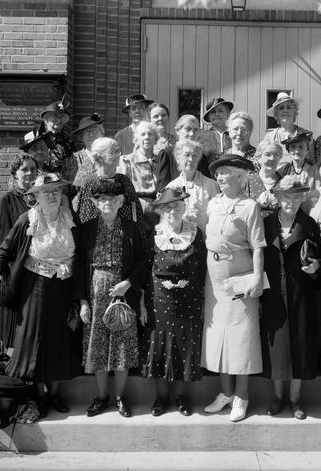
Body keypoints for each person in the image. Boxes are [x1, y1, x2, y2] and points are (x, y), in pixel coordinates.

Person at [0, 173, 85, 419]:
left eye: (55, 191)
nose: (51, 195)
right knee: (37, 339)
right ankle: (39, 394)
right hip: (36, 288)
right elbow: (4, 251)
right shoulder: (27, 219)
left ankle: (55, 393)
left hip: (64, 287)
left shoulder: (73, 219)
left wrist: (81, 296)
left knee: (61, 338)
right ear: (36, 196)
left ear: (62, 194)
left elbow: (82, 257)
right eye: (45, 191)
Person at [202, 155, 266, 422]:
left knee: (241, 339)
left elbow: (258, 246)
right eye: (218, 173)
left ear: (241, 177)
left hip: (240, 276)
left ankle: (241, 396)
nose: (220, 177)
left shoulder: (250, 206)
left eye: (226, 173)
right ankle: (225, 392)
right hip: (214, 279)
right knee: (218, 337)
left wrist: (256, 279)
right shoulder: (213, 203)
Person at [79, 180, 151, 418]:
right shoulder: (87, 228)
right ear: (95, 203)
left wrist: (128, 283)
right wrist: (82, 302)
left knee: (121, 347)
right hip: (95, 292)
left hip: (124, 292)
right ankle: (101, 397)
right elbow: (79, 266)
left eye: (113, 200)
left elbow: (143, 260)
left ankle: (120, 396)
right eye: (102, 200)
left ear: (121, 202)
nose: (107, 203)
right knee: (97, 347)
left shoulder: (131, 228)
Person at [260, 177, 321, 420]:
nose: (291, 201)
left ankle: (295, 399)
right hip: (273, 293)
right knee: (276, 347)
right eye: (286, 196)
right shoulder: (266, 223)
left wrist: (317, 265)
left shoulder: (308, 224)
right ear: (278, 198)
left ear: (302, 199)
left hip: (301, 293)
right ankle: (278, 397)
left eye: (296, 197)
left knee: (299, 345)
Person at [143, 188, 207, 417]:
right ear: (160, 210)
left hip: (188, 300)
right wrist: (143, 301)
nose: (173, 210)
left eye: (177, 206)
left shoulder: (195, 233)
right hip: (159, 300)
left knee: (183, 345)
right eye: (168, 207)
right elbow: (145, 268)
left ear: (184, 208)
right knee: (160, 346)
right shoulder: (154, 234)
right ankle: (161, 398)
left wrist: (200, 296)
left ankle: (181, 397)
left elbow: (202, 267)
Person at [0, 154, 39, 350]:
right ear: (15, 174)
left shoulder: (39, 198)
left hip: (37, 269)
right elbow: (4, 240)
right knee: (14, 325)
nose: (29, 173)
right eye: (24, 170)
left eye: (33, 169)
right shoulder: (7, 201)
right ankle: (12, 370)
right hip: (14, 269)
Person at [76, 138, 146, 237]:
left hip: (123, 238)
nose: (118, 155)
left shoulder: (124, 180)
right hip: (97, 239)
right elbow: (85, 216)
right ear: (100, 157)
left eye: (118, 151)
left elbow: (136, 213)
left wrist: (138, 238)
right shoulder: (90, 182)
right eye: (113, 152)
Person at [165, 139, 219, 233]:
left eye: (194, 156)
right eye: (186, 155)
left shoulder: (211, 185)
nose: (191, 159)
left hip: (205, 241)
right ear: (178, 159)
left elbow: (217, 217)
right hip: (181, 242)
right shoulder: (171, 187)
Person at [155, 114, 210, 190]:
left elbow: (207, 186)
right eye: (188, 129)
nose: (191, 133)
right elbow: (161, 189)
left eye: (195, 130)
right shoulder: (167, 155)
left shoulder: (202, 157)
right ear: (178, 130)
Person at [117, 121, 160, 211]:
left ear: (156, 139)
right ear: (136, 140)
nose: (147, 137)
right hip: (135, 209)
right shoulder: (127, 161)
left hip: (159, 209)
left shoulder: (161, 161)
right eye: (143, 134)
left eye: (150, 134)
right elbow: (121, 191)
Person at [264, 92, 313, 167]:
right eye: (281, 108)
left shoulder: (306, 135)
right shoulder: (269, 138)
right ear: (276, 114)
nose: (285, 110)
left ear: (294, 112)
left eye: (289, 107)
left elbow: (313, 163)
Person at [38, 98, 77, 182]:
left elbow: (71, 168)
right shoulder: (35, 140)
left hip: (60, 186)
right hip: (38, 184)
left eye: (62, 118)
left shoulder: (68, 143)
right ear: (46, 119)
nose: (59, 121)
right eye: (55, 117)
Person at [277, 132, 317, 212]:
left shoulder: (315, 170)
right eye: (293, 147)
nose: (297, 151)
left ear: (307, 149)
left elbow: (319, 193)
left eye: (301, 147)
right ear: (288, 150)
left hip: (309, 212)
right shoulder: (282, 171)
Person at [245, 140, 283, 217]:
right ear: (259, 157)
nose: (272, 158)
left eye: (276, 155)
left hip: (277, 227)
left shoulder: (283, 183)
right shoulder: (248, 180)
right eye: (267, 154)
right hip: (253, 226)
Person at [71, 113, 105, 192]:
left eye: (94, 130)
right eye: (87, 132)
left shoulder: (112, 157)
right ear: (81, 137)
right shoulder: (72, 160)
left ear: (102, 133)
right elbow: (66, 191)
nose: (91, 135)